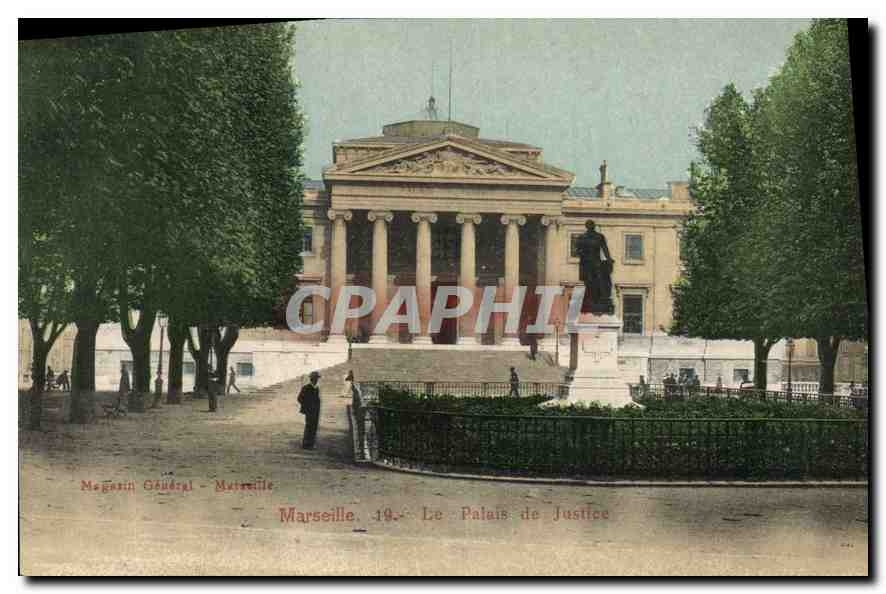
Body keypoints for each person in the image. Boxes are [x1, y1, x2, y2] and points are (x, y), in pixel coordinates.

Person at [297, 371, 322, 449]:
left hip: (316, 411)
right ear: (312, 379)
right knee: (309, 426)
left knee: (314, 427)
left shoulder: (316, 388)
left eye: (317, 379)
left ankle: (311, 444)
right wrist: (307, 406)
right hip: (309, 411)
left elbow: (317, 399)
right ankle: (306, 444)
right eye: (316, 378)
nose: (317, 380)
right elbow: (299, 398)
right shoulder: (306, 387)